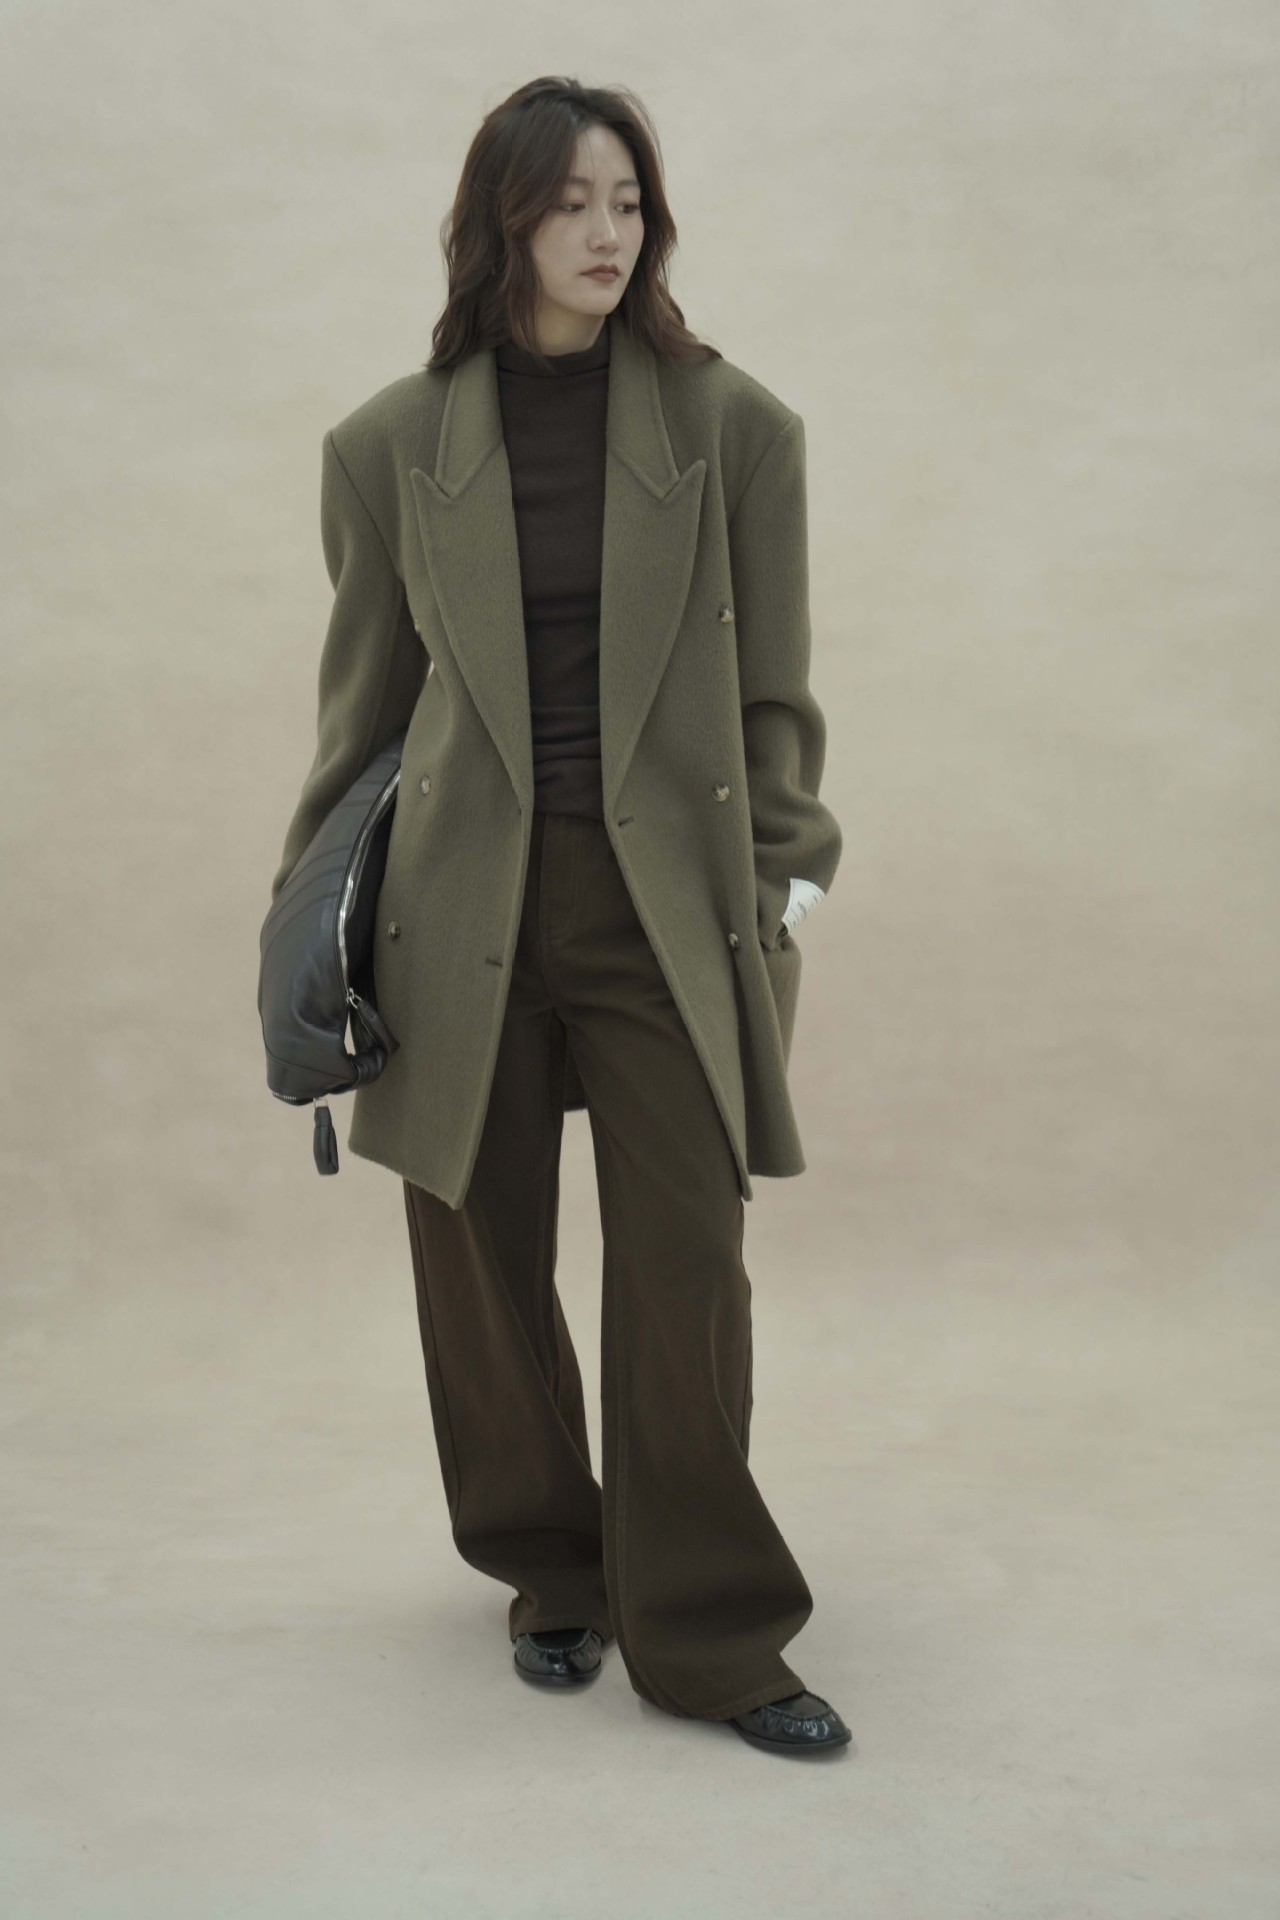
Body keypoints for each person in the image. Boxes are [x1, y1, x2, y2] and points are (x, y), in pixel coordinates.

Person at [268, 77, 850, 1757]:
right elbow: (364, 718)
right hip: (458, 907)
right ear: (502, 223)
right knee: (480, 1261)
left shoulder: (735, 428)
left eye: (630, 202)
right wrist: (306, 932)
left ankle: (716, 1631)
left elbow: (777, 695)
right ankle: (552, 1570)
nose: (609, 234)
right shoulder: (388, 447)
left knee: (688, 1267)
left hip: (665, 904)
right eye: (573, 203)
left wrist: (787, 876)